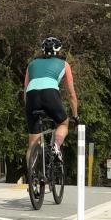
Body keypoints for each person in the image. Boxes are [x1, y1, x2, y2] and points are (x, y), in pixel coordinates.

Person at [23, 37, 79, 171]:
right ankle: (56, 146)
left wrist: (29, 109)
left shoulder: (31, 64)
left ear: (42, 51)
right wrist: (75, 116)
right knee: (63, 123)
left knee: (33, 142)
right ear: (59, 51)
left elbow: (25, 91)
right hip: (50, 94)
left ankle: (32, 179)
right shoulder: (64, 64)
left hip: (31, 96)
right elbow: (72, 95)